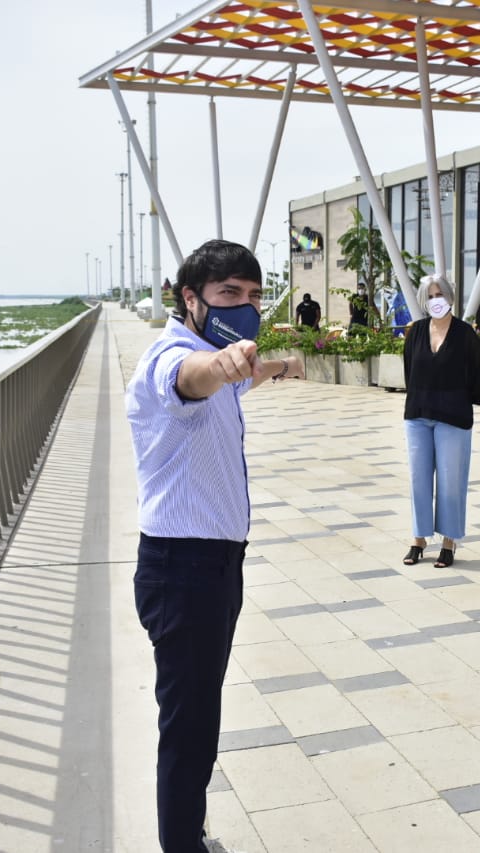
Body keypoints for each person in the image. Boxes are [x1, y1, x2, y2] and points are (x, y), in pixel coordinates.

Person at [126, 239, 302, 852]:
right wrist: (223, 366)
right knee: (190, 727)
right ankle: (181, 844)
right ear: (190, 298)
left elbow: (236, 379)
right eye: (230, 293)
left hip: (216, 564)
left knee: (200, 714)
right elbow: (192, 380)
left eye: (253, 295)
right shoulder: (174, 356)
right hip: (183, 568)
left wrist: (280, 366)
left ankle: (188, 824)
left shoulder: (219, 354)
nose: (244, 305)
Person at [401, 273, 480, 568]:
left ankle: (449, 541)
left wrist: (465, 400)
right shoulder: (415, 332)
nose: (435, 301)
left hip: (453, 417)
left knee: (451, 482)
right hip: (418, 415)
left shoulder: (465, 334)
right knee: (419, 480)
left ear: (450, 297)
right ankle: (418, 539)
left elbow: (479, 372)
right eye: (430, 296)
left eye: (440, 295)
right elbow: (409, 370)